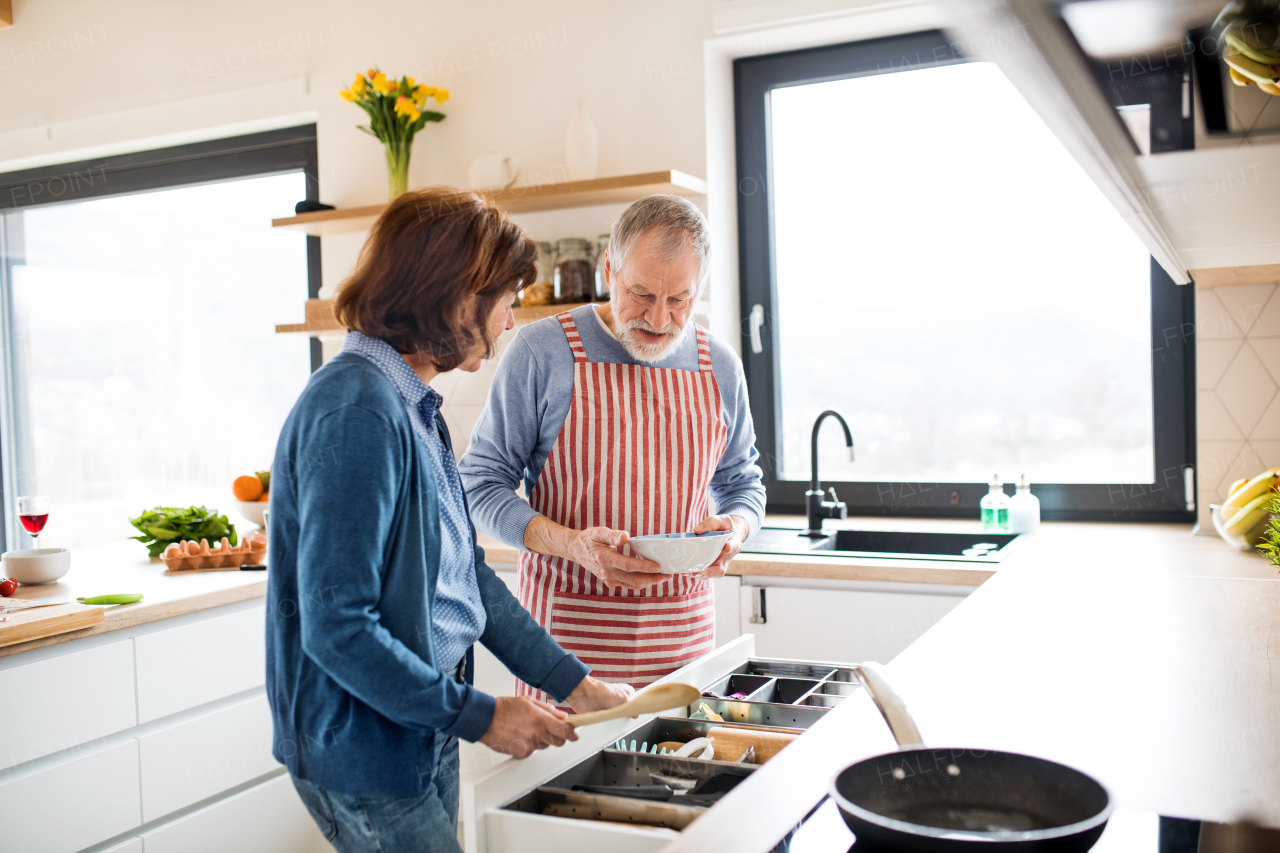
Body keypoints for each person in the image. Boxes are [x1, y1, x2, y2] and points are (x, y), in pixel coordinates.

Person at [265, 188, 630, 853]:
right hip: (366, 747)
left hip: (417, 726)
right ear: (461, 299)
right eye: (508, 298)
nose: (511, 320)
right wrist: (481, 715)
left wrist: (578, 686)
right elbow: (337, 627)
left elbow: (468, 583)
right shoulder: (357, 410)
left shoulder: (410, 406)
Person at [459, 194, 766, 700]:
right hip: (566, 654)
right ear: (609, 269)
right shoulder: (542, 352)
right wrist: (572, 544)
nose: (660, 318)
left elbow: (744, 482)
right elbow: (479, 484)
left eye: (680, 299)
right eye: (641, 294)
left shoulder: (720, 365)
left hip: (684, 648)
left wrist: (736, 528)